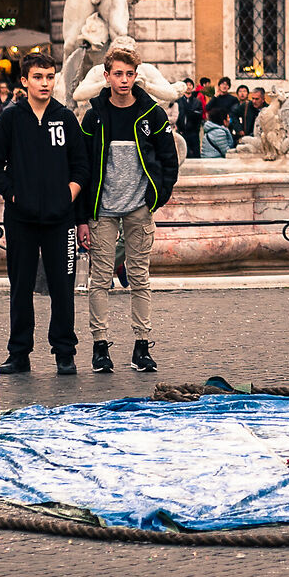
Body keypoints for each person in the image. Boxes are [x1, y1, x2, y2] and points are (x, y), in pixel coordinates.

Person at [0, 52, 89, 376]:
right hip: (21, 219)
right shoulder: (11, 119)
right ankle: (19, 354)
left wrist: (67, 197)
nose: (45, 83)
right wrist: (15, 194)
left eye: (50, 77)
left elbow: (81, 166)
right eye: (38, 77)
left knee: (63, 289)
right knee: (21, 287)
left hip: (61, 220)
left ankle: (64, 353)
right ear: (24, 81)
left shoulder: (65, 118)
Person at [78, 46, 179, 375]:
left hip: (139, 208)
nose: (124, 80)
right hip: (103, 209)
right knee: (99, 279)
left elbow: (169, 160)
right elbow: (81, 165)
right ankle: (100, 346)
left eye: (129, 74)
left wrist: (156, 198)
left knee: (140, 278)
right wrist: (83, 215)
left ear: (136, 76)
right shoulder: (93, 116)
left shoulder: (153, 114)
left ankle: (142, 346)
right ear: (106, 76)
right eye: (118, 74)